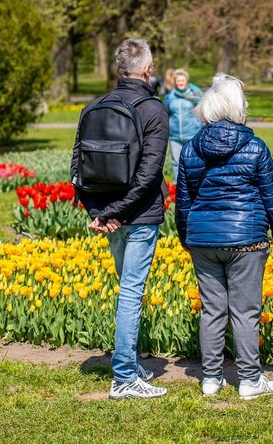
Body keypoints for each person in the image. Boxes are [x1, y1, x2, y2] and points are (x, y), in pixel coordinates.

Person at [176, 74, 273, 400]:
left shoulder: (190, 149)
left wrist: (186, 238)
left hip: (203, 240)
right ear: (238, 107)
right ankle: (250, 379)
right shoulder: (255, 147)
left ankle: (210, 379)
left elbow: (184, 201)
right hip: (246, 239)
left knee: (212, 311)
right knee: (245, 312)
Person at [70, 38, 170, 400]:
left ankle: (128, 362)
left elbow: (78, 168)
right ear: (147, 70)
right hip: (139, 215)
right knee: (131, 293)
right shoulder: (153, 110)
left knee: (127, 291)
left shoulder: (94, 106)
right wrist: (113, 213)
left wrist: (100, 212)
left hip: (111, 217)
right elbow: (149, 174)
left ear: (118, 69)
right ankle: (124, 378)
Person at [163, 68, 203, 184]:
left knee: (192, 162)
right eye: (178, 80)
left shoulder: (194, 94)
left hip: (192, 135)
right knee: (176, 162)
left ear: (186, 81)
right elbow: (165, 113)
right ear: (175, 82)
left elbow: (202, 109)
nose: (181, 83)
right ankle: (177, 186)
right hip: (175, 136)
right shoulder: (170, 96)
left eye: (183, 80)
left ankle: (193, 184)